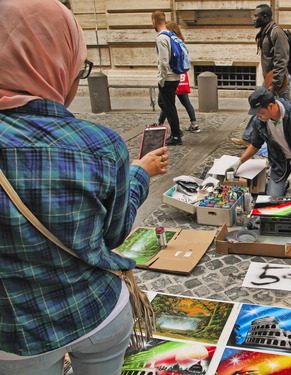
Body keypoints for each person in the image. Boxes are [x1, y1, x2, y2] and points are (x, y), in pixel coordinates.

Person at [0, 1, 169, 374]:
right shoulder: (97, 144)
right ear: (56, 63)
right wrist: (138, 172)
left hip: (13, 337)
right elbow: (113, 233)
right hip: (94, 312)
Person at [228, 88, 291, 198]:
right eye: (256, 113)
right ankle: (289, 189)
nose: (258, 116)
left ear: (271, 106)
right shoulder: (259, 121)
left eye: (260, 112)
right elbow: (255, 145)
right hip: (279, 165)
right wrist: (239, 162)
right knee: (272, 200)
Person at [231, 3, 291, 148]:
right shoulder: (266, 31)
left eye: (256, 16)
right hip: (270, 79)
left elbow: (281, 60)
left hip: (278, 80)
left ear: (265, 17)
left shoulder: (277, 33)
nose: (253, 18)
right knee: (259, 106)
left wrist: (275, 85)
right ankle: (248, 137)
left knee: (287, 110)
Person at [156, 21, 200, 133]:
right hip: (180, 74)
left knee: (168, 103)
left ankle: (175, 131)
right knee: (171, 102)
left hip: (171, 76)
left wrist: (162, 78)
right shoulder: (179, 40)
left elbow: (164, 61)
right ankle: (193, 123)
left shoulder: (168, 39)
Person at [152, 11, 183, 145]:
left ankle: (176, 136)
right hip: (174, 75)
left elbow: (163, 61)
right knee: (163, 103)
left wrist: (161, 79)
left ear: (154, 22)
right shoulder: (171, 35)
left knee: (169, 107)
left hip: (168, 78)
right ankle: (176, 130)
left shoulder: (161, 38)